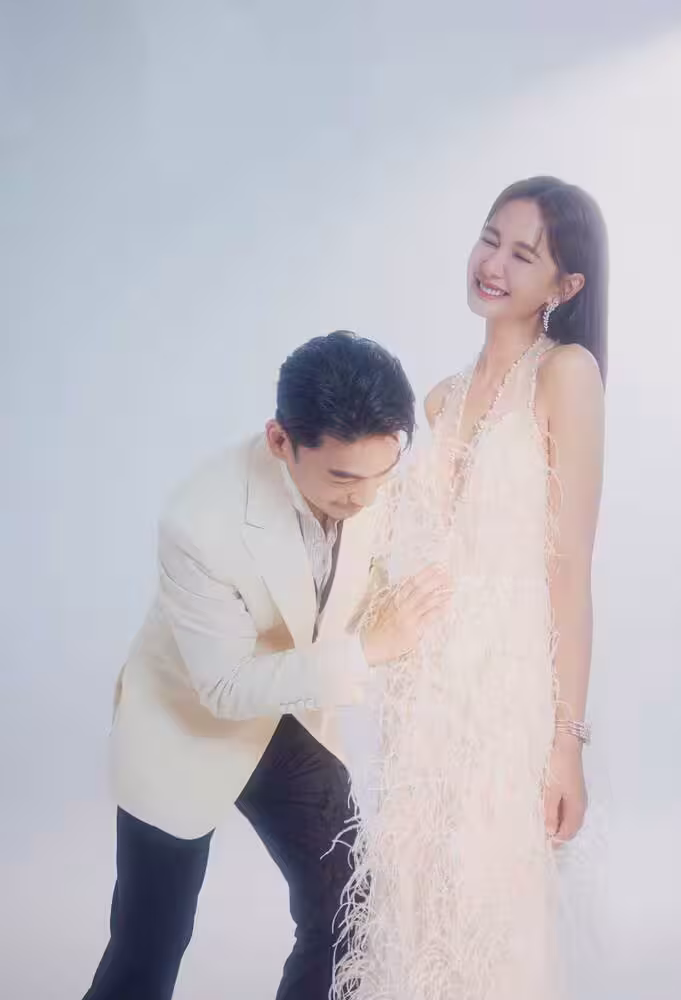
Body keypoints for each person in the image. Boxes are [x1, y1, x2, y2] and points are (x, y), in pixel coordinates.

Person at [81, 331, 450, 1000]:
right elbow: (224, 688)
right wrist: (371, 647)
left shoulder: (375, 477)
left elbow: (360, 572)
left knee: (348, 909)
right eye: (343, 478)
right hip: (185, 724)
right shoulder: (199, 520)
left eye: (381, 473)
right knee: (149, 949)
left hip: (287, 720)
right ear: (281, 440)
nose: (366, 497)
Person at [333, 177, 608, 999]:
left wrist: (566, 742)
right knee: (418, 901)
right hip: (425, 694)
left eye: (523, 254)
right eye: (490, 238)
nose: (493, 264)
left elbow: (571, 568)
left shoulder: (566, 374)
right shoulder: (441, 399)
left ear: (565, 285)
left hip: (506, 696)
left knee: (492, 908)